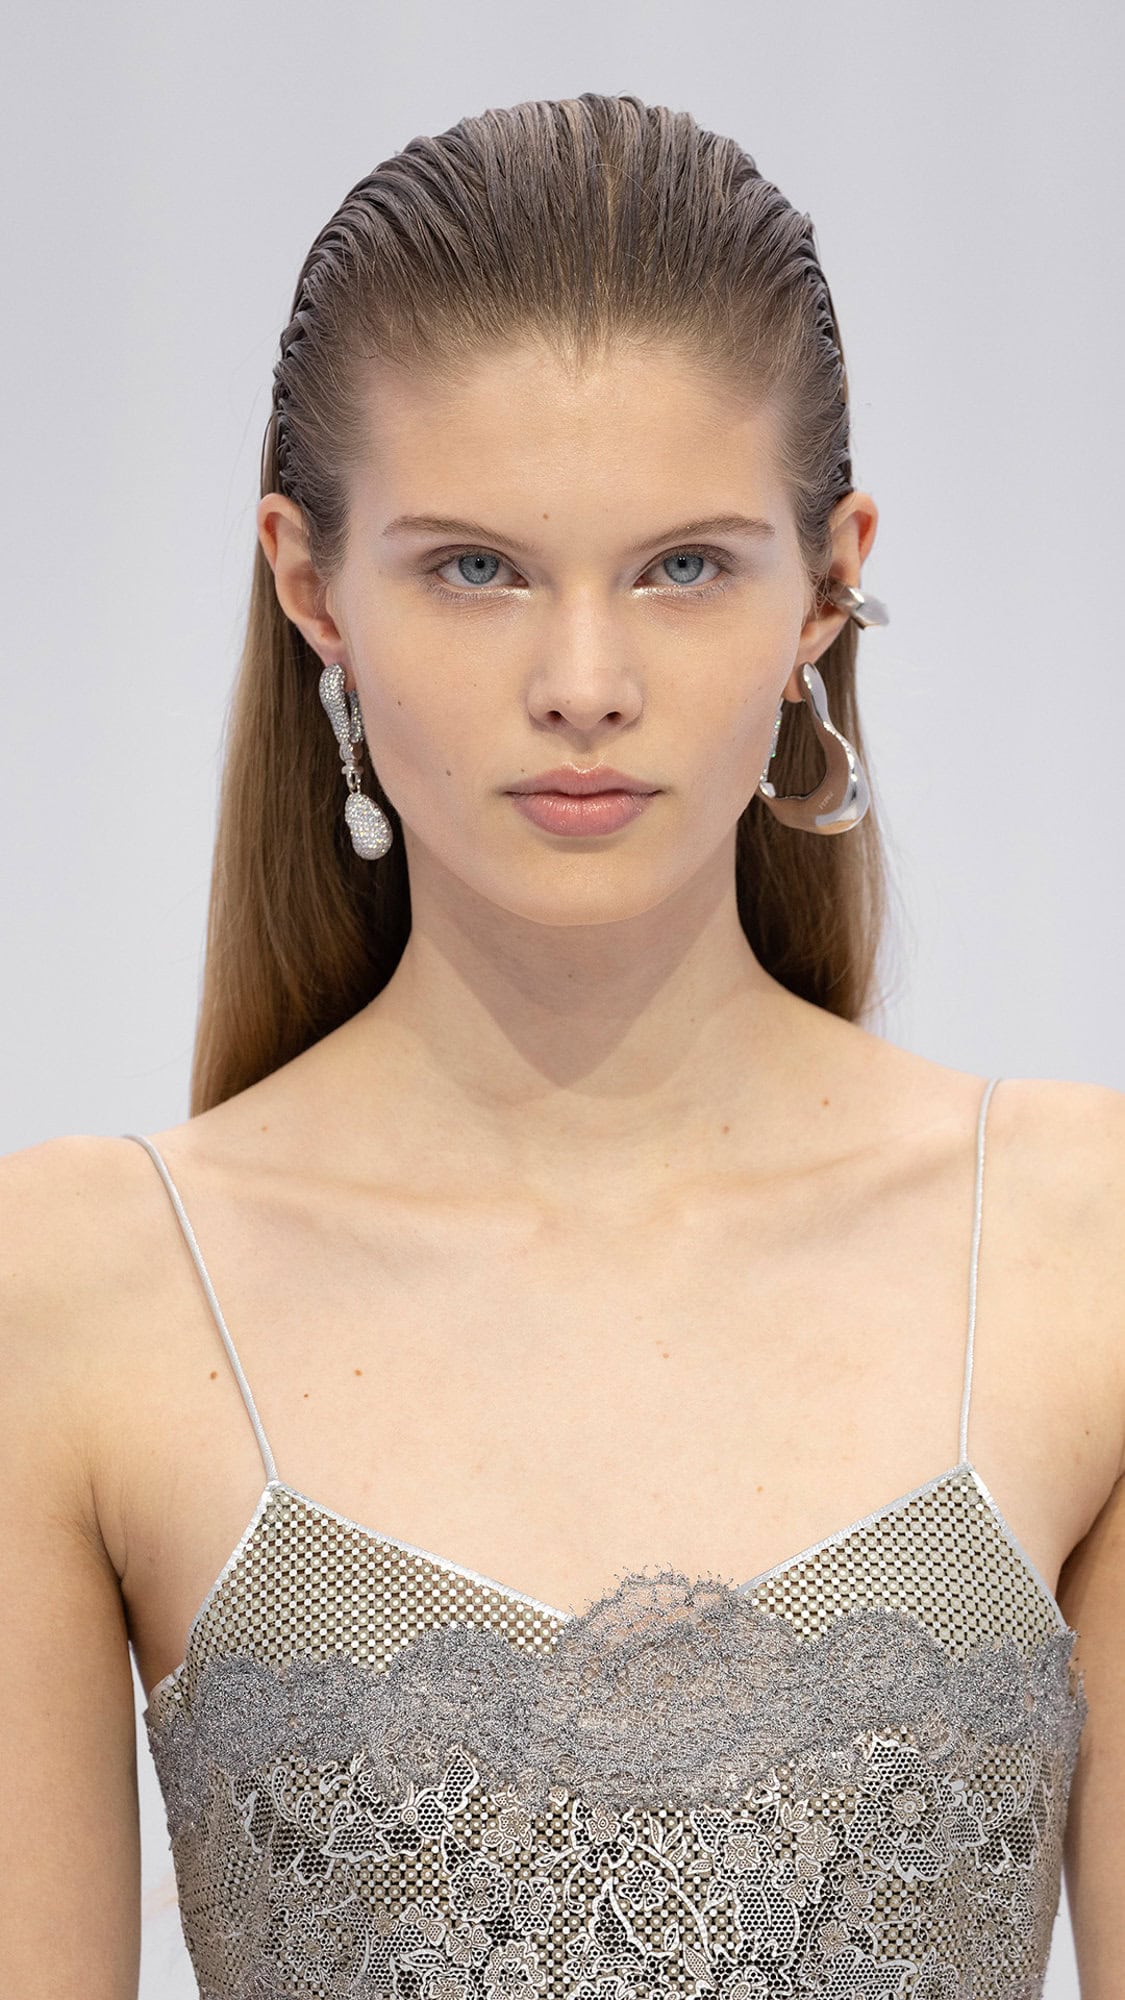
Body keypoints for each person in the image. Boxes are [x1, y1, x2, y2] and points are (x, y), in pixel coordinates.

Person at [2, 91, 1122, 1998]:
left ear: (824, 583)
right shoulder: (73, 1291)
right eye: (476, 568)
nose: (583, 686)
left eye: (682, 566)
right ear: (309, 586)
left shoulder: (1078, 1244)